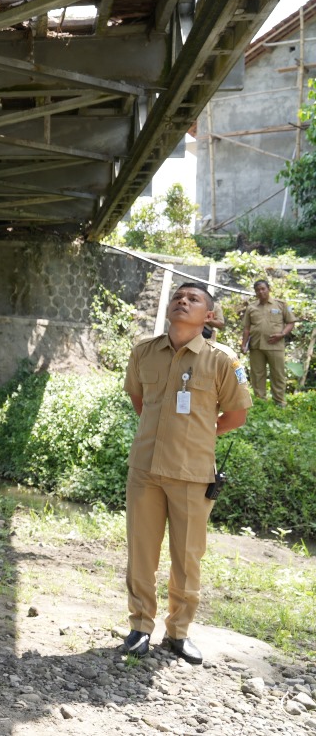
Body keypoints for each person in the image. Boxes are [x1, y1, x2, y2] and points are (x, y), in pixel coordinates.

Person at [122, 283, 251, 664]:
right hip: (145, 469)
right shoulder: (144, 352)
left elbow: (237, 415)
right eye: (178, 296)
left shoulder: (223, 360)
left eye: (194, 299)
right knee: (141, 553)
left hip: (194, 474)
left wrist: (197, 434)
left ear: (209, 316)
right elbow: (139, 400)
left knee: (187, 557)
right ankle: (140, 626)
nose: (183, 301)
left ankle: (178, 633)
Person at [239, 279, 295, 405]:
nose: (261, 292)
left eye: (263, 289)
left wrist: (282, 334)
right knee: (257, 374)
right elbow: (247, 328)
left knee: (278, 374)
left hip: (275, 345)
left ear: (269, 289)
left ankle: (279, 401)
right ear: (255, 292)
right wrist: (243, 344)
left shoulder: (281, 305)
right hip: (256, 346)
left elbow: (291, 322)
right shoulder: (251, 307)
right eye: (257, 290)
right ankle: (260, 400)